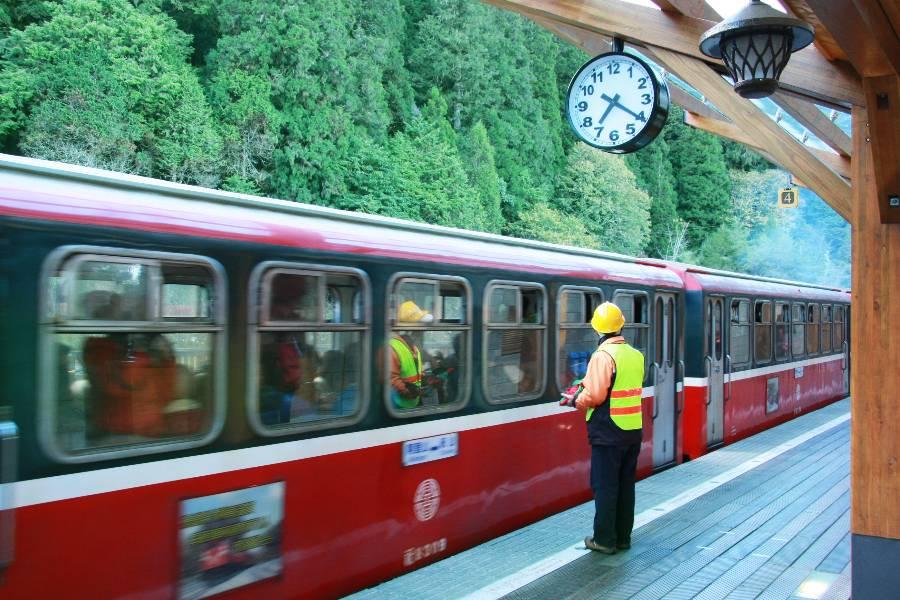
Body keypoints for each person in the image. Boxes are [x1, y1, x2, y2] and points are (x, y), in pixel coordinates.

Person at [560, 302, 644, 554]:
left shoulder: (603, 355)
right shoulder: (635, 355)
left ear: (597, 329)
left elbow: (595, 396)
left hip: (608, 431)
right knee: (625, 485)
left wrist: (575, 399)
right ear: (620, 325)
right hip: (632, 429)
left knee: (605, 485)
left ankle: (604, 540)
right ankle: (623, 538)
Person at [389, 300, 432, 409]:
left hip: (413, 403)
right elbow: (392, 378)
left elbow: (417, 371)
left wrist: (426, 380)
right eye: (419, 326)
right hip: (398, 406)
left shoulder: (414, 348)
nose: (422, 330)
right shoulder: (392, 348)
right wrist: (408, 392)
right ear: (408, 329)